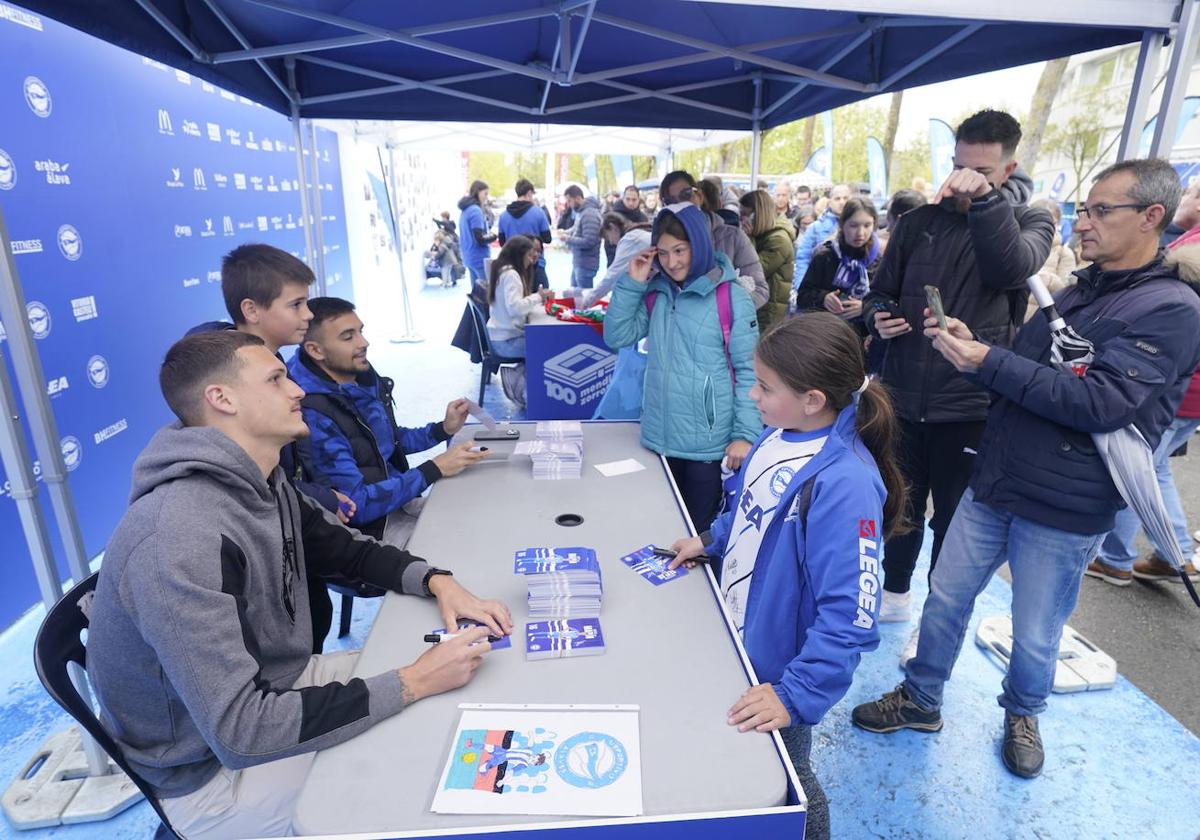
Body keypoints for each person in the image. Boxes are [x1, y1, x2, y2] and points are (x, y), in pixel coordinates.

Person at [851, 157, 1200, 779]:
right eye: (1084, 210)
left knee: (1036, 627)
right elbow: (1034, 366)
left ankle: (1023, 713)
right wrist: (977, 345)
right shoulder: (1081, 289)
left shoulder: (1170, 309)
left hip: (1067, 503)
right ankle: (922, 697)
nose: (1083, 224)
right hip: (998, 478)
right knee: (947, 598)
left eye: (1099, 211)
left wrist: (988, 362)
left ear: (1151, 217)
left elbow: (1100, 402)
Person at [87, 330, 512, 839]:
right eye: (276, 378)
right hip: (210, 775)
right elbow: (241, 733)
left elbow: (343, 547)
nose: (296, 391)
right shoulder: (179, 536)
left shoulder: (261, 479)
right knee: (417, 764)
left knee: (464, 684)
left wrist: (437, 580)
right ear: (222, 400)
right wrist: (413, 681)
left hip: (278, 683)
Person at [666, 313, 907, 840]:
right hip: (740, 641)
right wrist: (711, 538)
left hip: (781, 672)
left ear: (813, 399)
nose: (751, 395)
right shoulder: (779, 433)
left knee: (787, 780)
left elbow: (850, 613)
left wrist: (796, 694)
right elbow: (753, 506)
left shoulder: (845, 483)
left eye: (764, 386)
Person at [862, 110, 1054, 631]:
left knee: (955, 523)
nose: (965, 180)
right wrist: (876, 314)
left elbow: (1010, 268)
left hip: (970, 403)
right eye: (958, 167)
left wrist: (988, 203)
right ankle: (894, 591)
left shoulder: (1032, 222)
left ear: (1009, 168)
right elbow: (880, 287)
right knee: (899, 506)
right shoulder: (919, 222)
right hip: (902, 394)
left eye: (982, 172)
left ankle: (936, 623)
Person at [194, 243, 357, 654]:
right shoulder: (223, 374)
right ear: (252, 310)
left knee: (312, 614)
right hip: (271, 562)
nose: (308, 315)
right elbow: (248, 475)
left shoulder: (270, 361)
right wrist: (319, 495)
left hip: (293, 534)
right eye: (297, 304)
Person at [604, 202, 761, 531]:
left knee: (697, 536)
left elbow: (750, 372)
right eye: (662, 253)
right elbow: (617, 336)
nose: (672, 262)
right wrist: (632, 282)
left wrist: (745, 436)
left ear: (700, 245)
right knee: (658, 530)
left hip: (708, 448)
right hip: (658, 439)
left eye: (680, 250)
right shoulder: (657, 293)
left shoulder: (731, 298)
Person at [288, 297, 490, 547]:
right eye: (348, 337)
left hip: (398, 502)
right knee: (466, 545)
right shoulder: (312, 412)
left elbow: (386, 441)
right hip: (371, 532)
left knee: (482, 517)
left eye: (360, 332)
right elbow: (356, 505)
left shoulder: (359, 377)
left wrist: (442, 429)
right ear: (315, 350)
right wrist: (434, 468)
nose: (364, 343)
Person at [1086, 190, 1200, 585]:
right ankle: (1176, 553)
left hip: (1178, 388)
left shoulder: (1189, 260)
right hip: (1182, 387)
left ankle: (1119, 556)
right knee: (1154, 466)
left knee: (1135, 465)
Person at [660, 170, 769, 311]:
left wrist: (718, 315)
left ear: (699, 195)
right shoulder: (661, 243)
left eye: (686, 194)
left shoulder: (733, 237)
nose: (680, 203)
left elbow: (760, 291)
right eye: (670, 201)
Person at [795, 198, 883, 333]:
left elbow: (887, 300)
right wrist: (823, 298)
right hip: (829, 334)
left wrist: (865, 307)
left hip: (866, 337)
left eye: (867, 225)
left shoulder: (879, 260)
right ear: (842, 224)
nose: (860, 233)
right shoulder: (825, 256)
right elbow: (802, 297)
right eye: (853, 225)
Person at [485, 236, 554, 406]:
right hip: (506, 342)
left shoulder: (502, 270)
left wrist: (533, 298)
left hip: (501, 337)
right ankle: (524, 388)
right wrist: (538, 296)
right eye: (530, 256)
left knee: (543, 344)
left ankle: (522, 380)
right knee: (548, 350)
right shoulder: (511, 275)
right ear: (520, 254)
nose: (532, 261)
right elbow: (515, 308)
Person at [738, 188, 795, 331]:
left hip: (768, 313)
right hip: (758, 307)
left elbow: (753, 272)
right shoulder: (763, 235)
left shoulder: (778, 240)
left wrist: (746, 238)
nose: (741, 219)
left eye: (745, 215)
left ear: (758, 215)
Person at [583, 212, 653, 308]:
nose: (611, 242)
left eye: (608, 237)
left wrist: (588, 301)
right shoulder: (639, 233)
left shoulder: (631, 239)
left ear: (612, 227)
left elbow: (613, 276)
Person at [1024, 198, 1077, 321]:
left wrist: (1049, 280)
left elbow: (1068, 290)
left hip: (1041, 320)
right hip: (1011, 319)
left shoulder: (1064, 253)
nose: (1043, 226)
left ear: (1057, 223)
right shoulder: (1020, 246)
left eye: (1050, 222)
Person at [498, 178, 553, 290]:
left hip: (513, 266)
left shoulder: (503, 216)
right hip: (535, 264)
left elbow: (502, 242)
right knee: (541, 299)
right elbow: (547, 238)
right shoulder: (538, 212)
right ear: (529, 193)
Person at [795, 184, 851, 280]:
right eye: (837, 199)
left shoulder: (860, 226)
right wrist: (802, 287)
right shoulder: (815, 228)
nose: (842, 202)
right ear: (829, 202)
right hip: (821, 286)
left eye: (845, 198)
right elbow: (803, 259)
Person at [556, 185, 603, 289]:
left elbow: (589, 241)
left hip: (586, 264)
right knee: (576, 294)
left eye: (569, 201)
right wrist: (565, 232)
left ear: (577, 198)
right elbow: (576, 229)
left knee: (583, 297)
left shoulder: (589, 214)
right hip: (581, 261)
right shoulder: (582, 212)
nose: (568, 204)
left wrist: (567, 238)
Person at [458, 179, 496, 287]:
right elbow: (480, 238)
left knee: (476, 292)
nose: (486, 197)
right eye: (485, 193)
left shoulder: (465, 210)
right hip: (479, 258)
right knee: (486, 292)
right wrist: (494, 236)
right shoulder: (475, 211)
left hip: (468, 256)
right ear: (478, 192)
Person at [606, 184, 649, 264]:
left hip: (639, 263)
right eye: (628, 199)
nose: (630, 203)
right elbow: (610, 245)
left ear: (638, 200)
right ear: (623, 199)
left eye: (634, 200)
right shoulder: (613, 217)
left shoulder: (643, 218)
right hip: (618, 263)